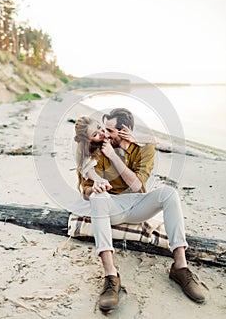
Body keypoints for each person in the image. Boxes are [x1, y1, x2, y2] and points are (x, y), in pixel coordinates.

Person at [73, 108, 205, 312]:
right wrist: (95, 188)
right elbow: (85, 189)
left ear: (126, 130)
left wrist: (114, 156)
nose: (105, 135)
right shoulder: (94, 148)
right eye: (102, 129)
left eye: (109, 130)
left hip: (137, 203)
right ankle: (111, 276)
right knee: (98, 198)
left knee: (169, 193)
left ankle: (180, 267)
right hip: (111, 205)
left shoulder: (144, 148)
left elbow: (136, 187)